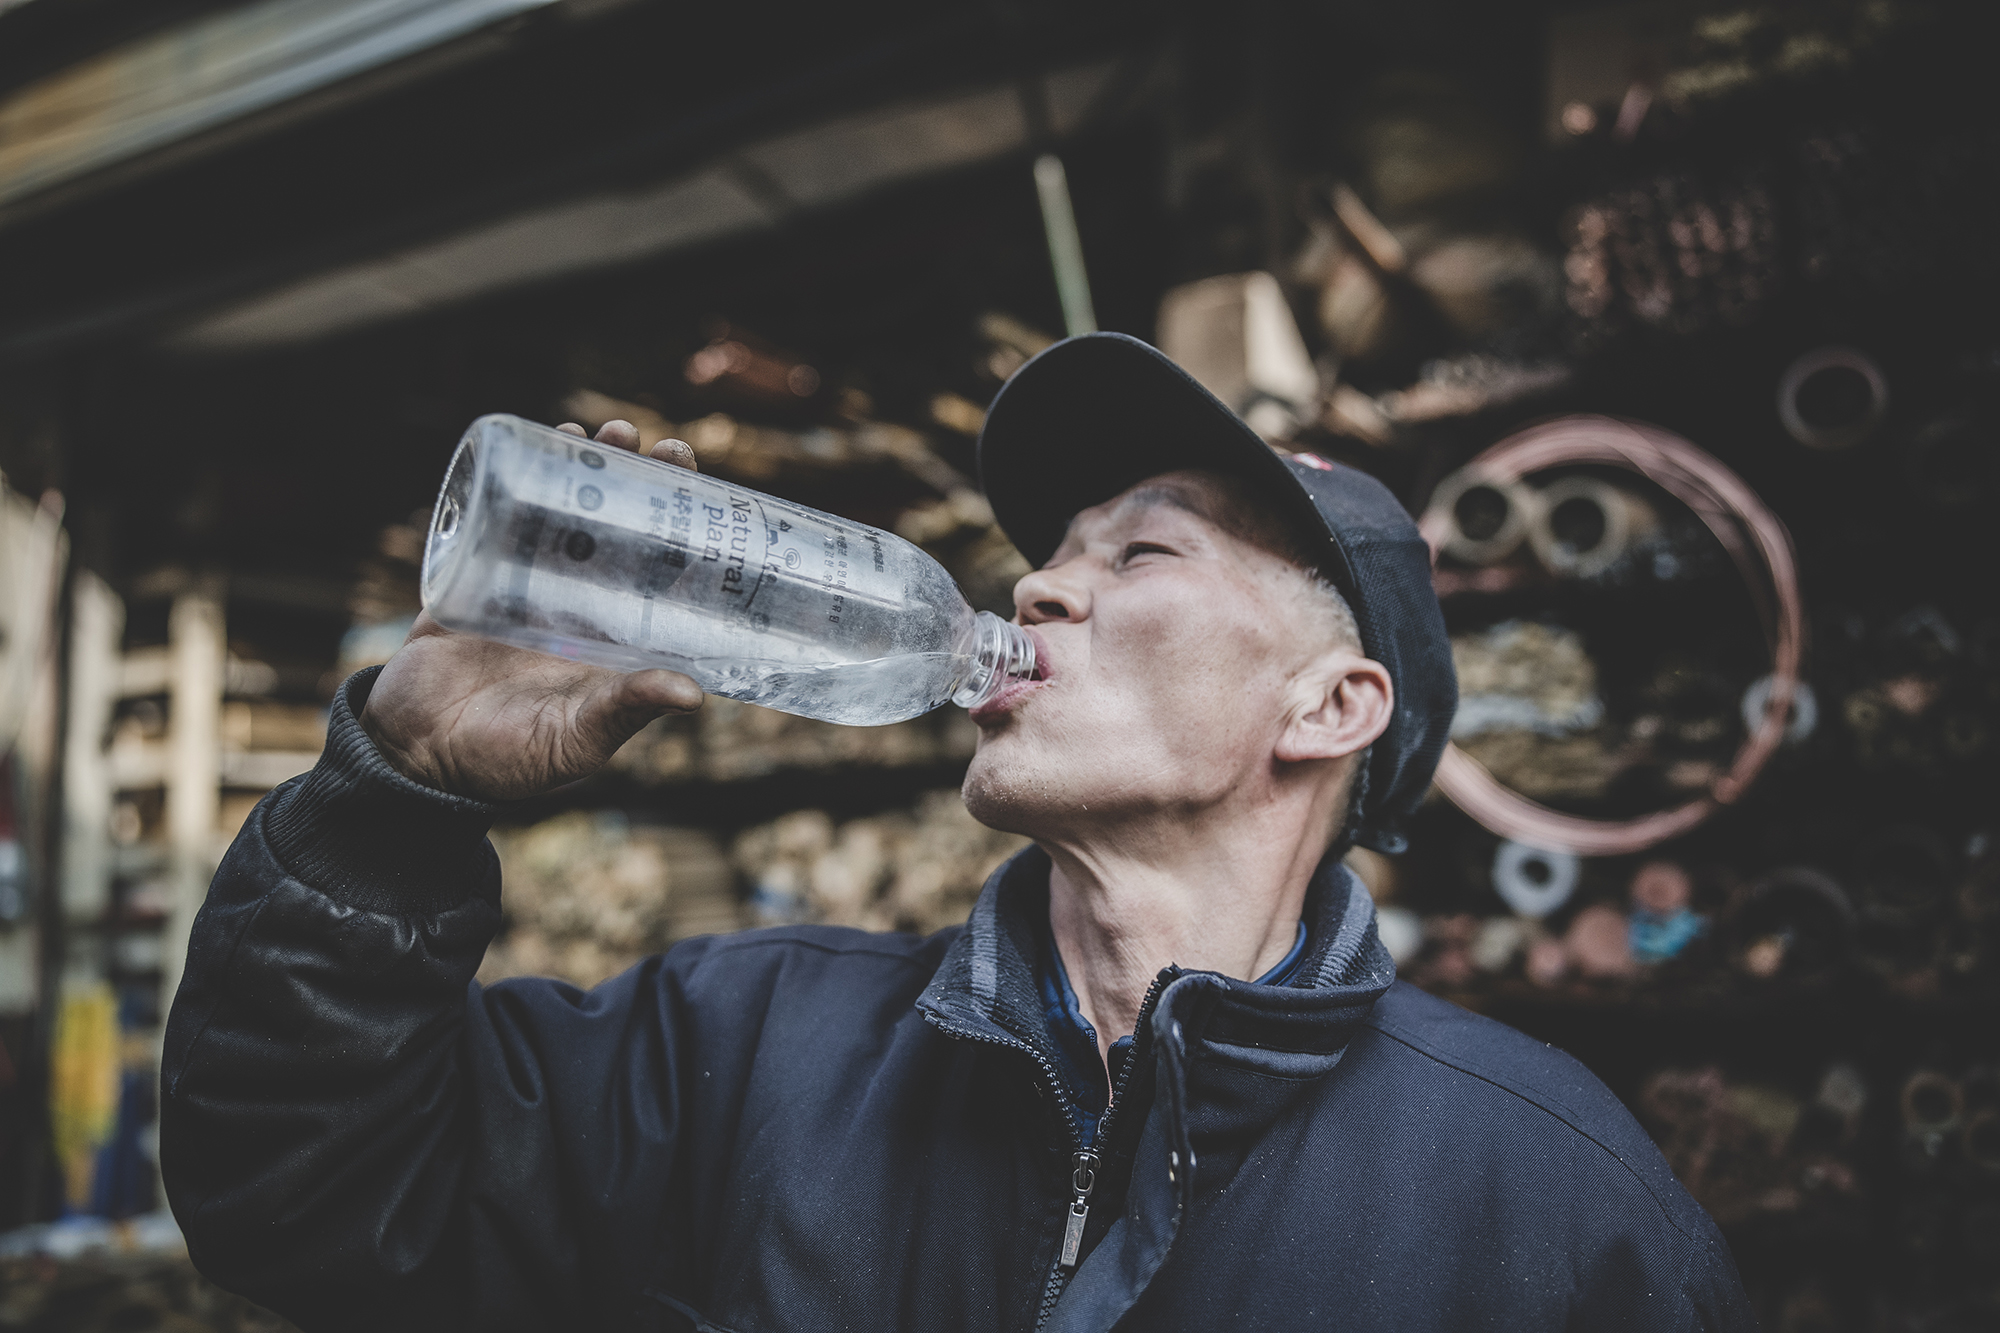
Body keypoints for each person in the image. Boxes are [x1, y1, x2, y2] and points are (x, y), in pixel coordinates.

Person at [161, 333, 1752, 1332]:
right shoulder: (743, 1043)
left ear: (1330, 708)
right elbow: (307, 1202)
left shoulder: (1548, 1195)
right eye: (1049, 553)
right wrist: (398, 794)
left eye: (1141, 553)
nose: (1039, 588)